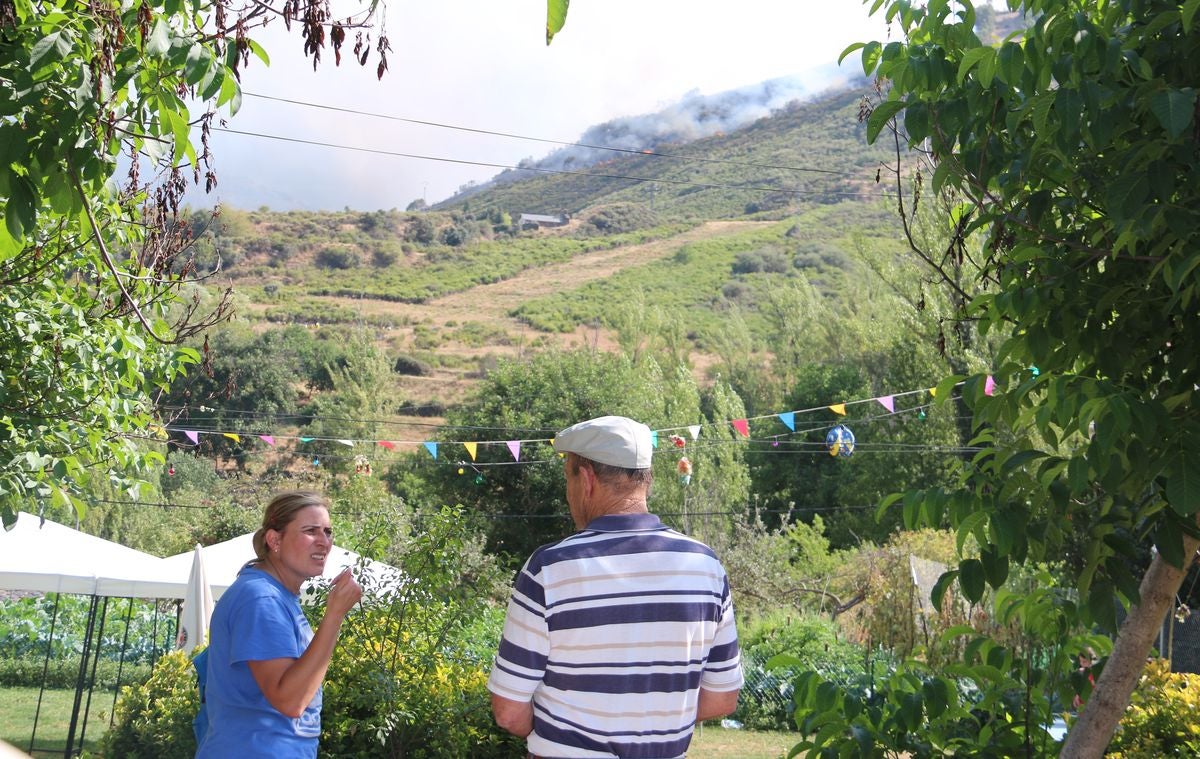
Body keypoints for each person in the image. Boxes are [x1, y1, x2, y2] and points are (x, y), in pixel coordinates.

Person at [488, 415, 743, 758]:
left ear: (587, 478)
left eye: (568, 479)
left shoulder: (549, 569)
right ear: (646, 481)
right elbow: (722, 698)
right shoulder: (706, 567)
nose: (568, 495)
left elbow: (507, 710)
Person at [196, 491, 361, 758]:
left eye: (328, 532)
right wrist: (335, 615)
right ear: (275, 540)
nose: (324, 542)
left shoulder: (277, 595)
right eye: (310, 531)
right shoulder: (260, 598)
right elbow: (290, 701)